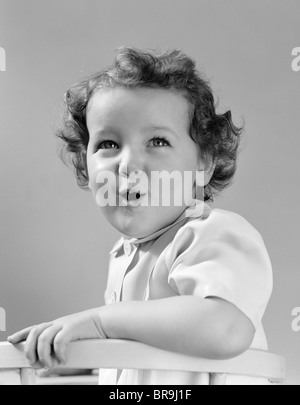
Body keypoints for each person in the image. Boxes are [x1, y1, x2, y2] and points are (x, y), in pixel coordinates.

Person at [8, 47, 273, 385]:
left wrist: (102, 322)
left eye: (158, 141)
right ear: (86, 164)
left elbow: (226, 326)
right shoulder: (125, 255)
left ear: (203, 163)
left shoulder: (214, 234)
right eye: (108, 144)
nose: (128, 164)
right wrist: (87, 357)